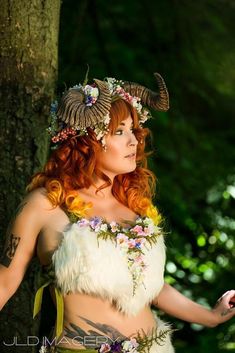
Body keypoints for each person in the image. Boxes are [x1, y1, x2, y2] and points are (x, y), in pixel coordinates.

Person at [0, 73, 234, 353]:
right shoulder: (46, 203)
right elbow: (4, 284)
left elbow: (150, 287)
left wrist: (210, 316)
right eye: (120, 131)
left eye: (134, 130)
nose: (134, 141)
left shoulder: (133, 204)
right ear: (85, 141)